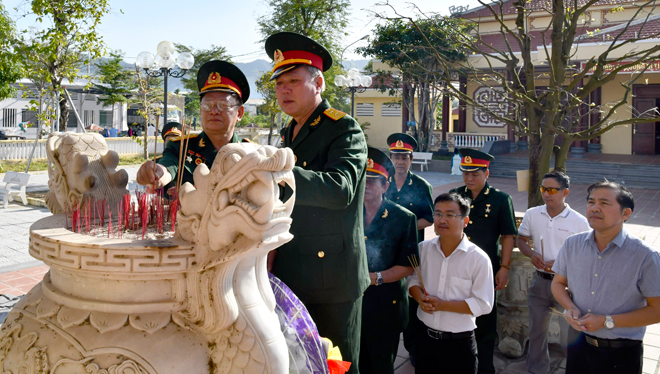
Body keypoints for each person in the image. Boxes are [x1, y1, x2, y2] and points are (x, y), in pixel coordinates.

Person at [264, 32, 369, 373]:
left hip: (332, 280)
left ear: (319, 82)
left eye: (294, 81)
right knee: (298, 364)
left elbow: (340, 189)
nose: (284, 90)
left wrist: (279, 173)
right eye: (279, 83)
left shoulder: (344, 129)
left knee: (334, 365)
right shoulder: (288, 131)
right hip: (292, 270)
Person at [551, 181, 660, 374]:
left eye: (604, 203)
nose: (594, 208)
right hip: (578, 345)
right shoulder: (572, 245)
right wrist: (571, 307)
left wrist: (607, 321)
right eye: (591, 202)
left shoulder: (645, 256)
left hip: (621, 353)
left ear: (625, 214)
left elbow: (657, 311)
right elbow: (558, 284)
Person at [408, 192, 494, 374]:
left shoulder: (478, 259)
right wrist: (419, 297)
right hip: (425, 337)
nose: (442, 219)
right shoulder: (423, 249)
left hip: (459, 344)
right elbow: (413, 279)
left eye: (450, 214)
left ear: (465, 220)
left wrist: (443, 305)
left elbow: (483, 304)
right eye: (438, 213)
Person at [449, 148, 517, 374]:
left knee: (485, 321)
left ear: (486, 173)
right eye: (465, 173)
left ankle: (485, 368)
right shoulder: (456, 196)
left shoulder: (500, 199)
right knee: (457, 316)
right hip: (457, 267)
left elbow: (508, 236)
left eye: (475, 174)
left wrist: (504, 268)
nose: (469, 178)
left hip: (486, 270)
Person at [135, 60, 251, 190]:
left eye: (223, 105)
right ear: (201, 110)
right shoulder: (180, 147)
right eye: (207, 105)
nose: (214, 111)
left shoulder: (251, 153)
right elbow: (167, 167)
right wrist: (157, 174)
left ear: (240, 113)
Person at [517, 171, 590, 374]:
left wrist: (561, 263)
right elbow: (521, 240)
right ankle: (536, 369)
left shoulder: (579, 222)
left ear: (565, 192)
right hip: (540, 281)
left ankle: (573, 368)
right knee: (537, 330)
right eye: (543, 189)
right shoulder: (533, 214)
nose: (546, 194)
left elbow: (586, 254)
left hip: (567, 285)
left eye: (552, 190)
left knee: (570, 332)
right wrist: (532, 254)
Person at [360, 147, 418, 374]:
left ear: (385, 186)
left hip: (386, 305)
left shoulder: (403, 218)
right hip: (356, 303)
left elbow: (408, 265)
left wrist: (375, 278)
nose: (366, 185)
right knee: (357, 362)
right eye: (363, 180)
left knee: (381, 365)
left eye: (374, 181)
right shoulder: (349, 214)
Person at [384, 133, 433, 365]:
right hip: (384, 250)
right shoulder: (382, 182)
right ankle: (388, 344)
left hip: (412, 250)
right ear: (390, 158)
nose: (400, 161)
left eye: (405, 157)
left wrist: (405, 228)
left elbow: (429, 218)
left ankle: (414, 348)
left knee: (413, 298)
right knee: (388, 296)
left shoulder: (422, 186)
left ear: (411, 159)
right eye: (396, 157)